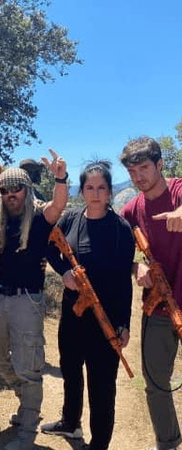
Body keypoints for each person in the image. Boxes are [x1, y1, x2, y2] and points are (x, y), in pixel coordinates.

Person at [40, 160, 135, 450]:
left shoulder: (121, 229)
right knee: (70, 370)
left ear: (108, 193)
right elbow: (50, 247)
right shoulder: (69, 219)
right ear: (81, 191)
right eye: (89, 187)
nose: (95, 193)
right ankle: (70, 422)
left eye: (101, 188)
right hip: (72, 314)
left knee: (102, 385)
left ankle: (100, 442)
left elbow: (123, 280)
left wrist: (123, 324)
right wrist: (64, 272)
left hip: (104, 316)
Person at [0, 151, 68, 450]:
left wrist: (60, 177)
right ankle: (25, 400)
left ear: (27, 189)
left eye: (16, 189)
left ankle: (27, 431)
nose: (10, 195)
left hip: (27, 301)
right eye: (5, 190)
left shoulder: (40, 215)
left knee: (29, 364)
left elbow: (59, 205)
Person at [120, 137, 182, 450]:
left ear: (160, 165)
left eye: (144, 168)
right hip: (159, 307)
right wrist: (136, 269)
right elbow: (117, 252)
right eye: (132, 172)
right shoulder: (132, 209)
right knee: (156, 383)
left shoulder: (179, 191)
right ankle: (168, 443)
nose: (138, 177)